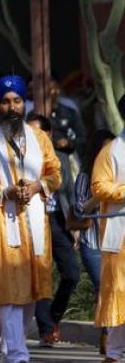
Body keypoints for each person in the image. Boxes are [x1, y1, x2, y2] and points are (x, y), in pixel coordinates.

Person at [0, 75, 61, 363]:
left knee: (31, 291)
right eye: (6, 102)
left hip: (35, 225)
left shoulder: (40, 137)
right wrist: (3, 191)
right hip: (0, 223)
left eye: (17, 100)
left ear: (24, 103)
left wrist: (37, 186)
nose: (13, 106)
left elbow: (55, 173)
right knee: (8, 289)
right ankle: (18, 354)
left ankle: (10, 347)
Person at [26, 113, 80, 346]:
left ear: (48, 134)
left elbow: (70, 193)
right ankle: (46, 329)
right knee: (39, 274)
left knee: (71, 274)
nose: (34, 137)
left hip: (58, 219)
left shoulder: (61, 159)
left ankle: (53, 318)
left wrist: (75, 225)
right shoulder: (22, 159)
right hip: (32, 220)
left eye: (39, 132)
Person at [75, 129, 116, 355]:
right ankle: (107, 334)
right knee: (104, 286)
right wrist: (100, 193)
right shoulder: (84, 177)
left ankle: (110, 332)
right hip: (92, 243)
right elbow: (81, 210)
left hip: (116, 240)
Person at [91, 95, 125, 363]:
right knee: (118, 293)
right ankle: (113, 353)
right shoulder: (111, 150)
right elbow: (99, 187)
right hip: (120, 233)